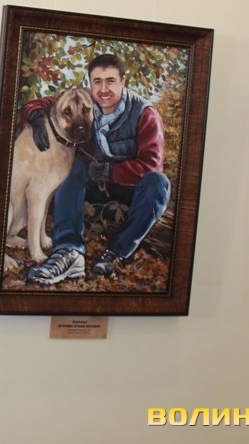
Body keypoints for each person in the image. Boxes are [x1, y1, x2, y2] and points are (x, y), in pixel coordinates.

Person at [22, 53, 170, 284]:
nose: (103, 90)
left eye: (111, 81)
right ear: (90, 83)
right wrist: (35, 115)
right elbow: (45, 103)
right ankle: (69, 250)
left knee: (159, 184)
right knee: (75, 166)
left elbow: (152, 164)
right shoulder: (85, 99)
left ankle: (116, 253)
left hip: (128, 188)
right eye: (97, 82)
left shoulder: (145, 114)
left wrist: (112, 172)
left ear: (123, 81)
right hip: (91, 182)